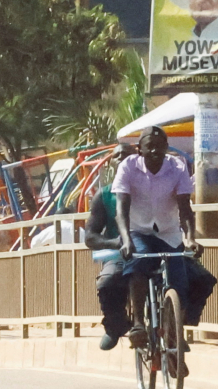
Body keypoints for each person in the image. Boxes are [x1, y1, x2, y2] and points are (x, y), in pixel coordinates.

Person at [114, 126, 208, 356]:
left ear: (167, 148)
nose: (155, 151)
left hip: (168, 232)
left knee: (180, 280)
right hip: (138, 231)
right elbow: (121, 209)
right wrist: (126, 240)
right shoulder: (127, 167)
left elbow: (185, 208)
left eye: (160, 147)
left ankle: (175, 331)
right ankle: (138, 323)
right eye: (150, 147)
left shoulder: (177, 167)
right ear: (140, 150)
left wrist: (190, 239)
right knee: (138, 266)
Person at [84, 144, 137, 350]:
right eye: (117, 156)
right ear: (111, 164)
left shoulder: (149, 188)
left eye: (128, 155)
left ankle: (174, 329)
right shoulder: (104, 195)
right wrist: (114, 242)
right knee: (108, 281)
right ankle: (115, 325)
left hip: (150, 247)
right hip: (119, 253)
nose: (122, 159)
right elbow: (90, 236)